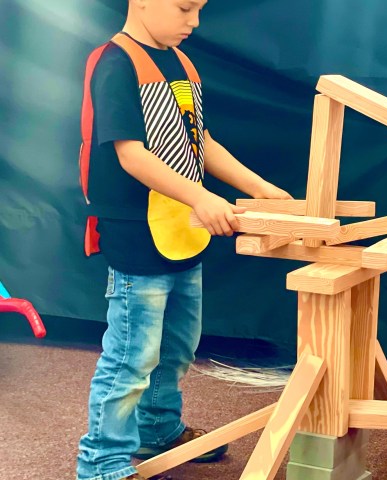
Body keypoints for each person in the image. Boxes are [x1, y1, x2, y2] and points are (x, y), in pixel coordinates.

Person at [76, 1, 291, 479]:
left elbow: (202, 142)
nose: (194, 21)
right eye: (184, 8)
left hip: (181, 231)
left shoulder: (182, 62)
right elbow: (132, 155)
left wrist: (258, 187)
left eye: (199, 9)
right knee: (133, 355)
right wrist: (202, 197)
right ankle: (100, 461)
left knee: (175, 347)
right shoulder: (116, 63)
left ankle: (158, 431)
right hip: (136, 234)